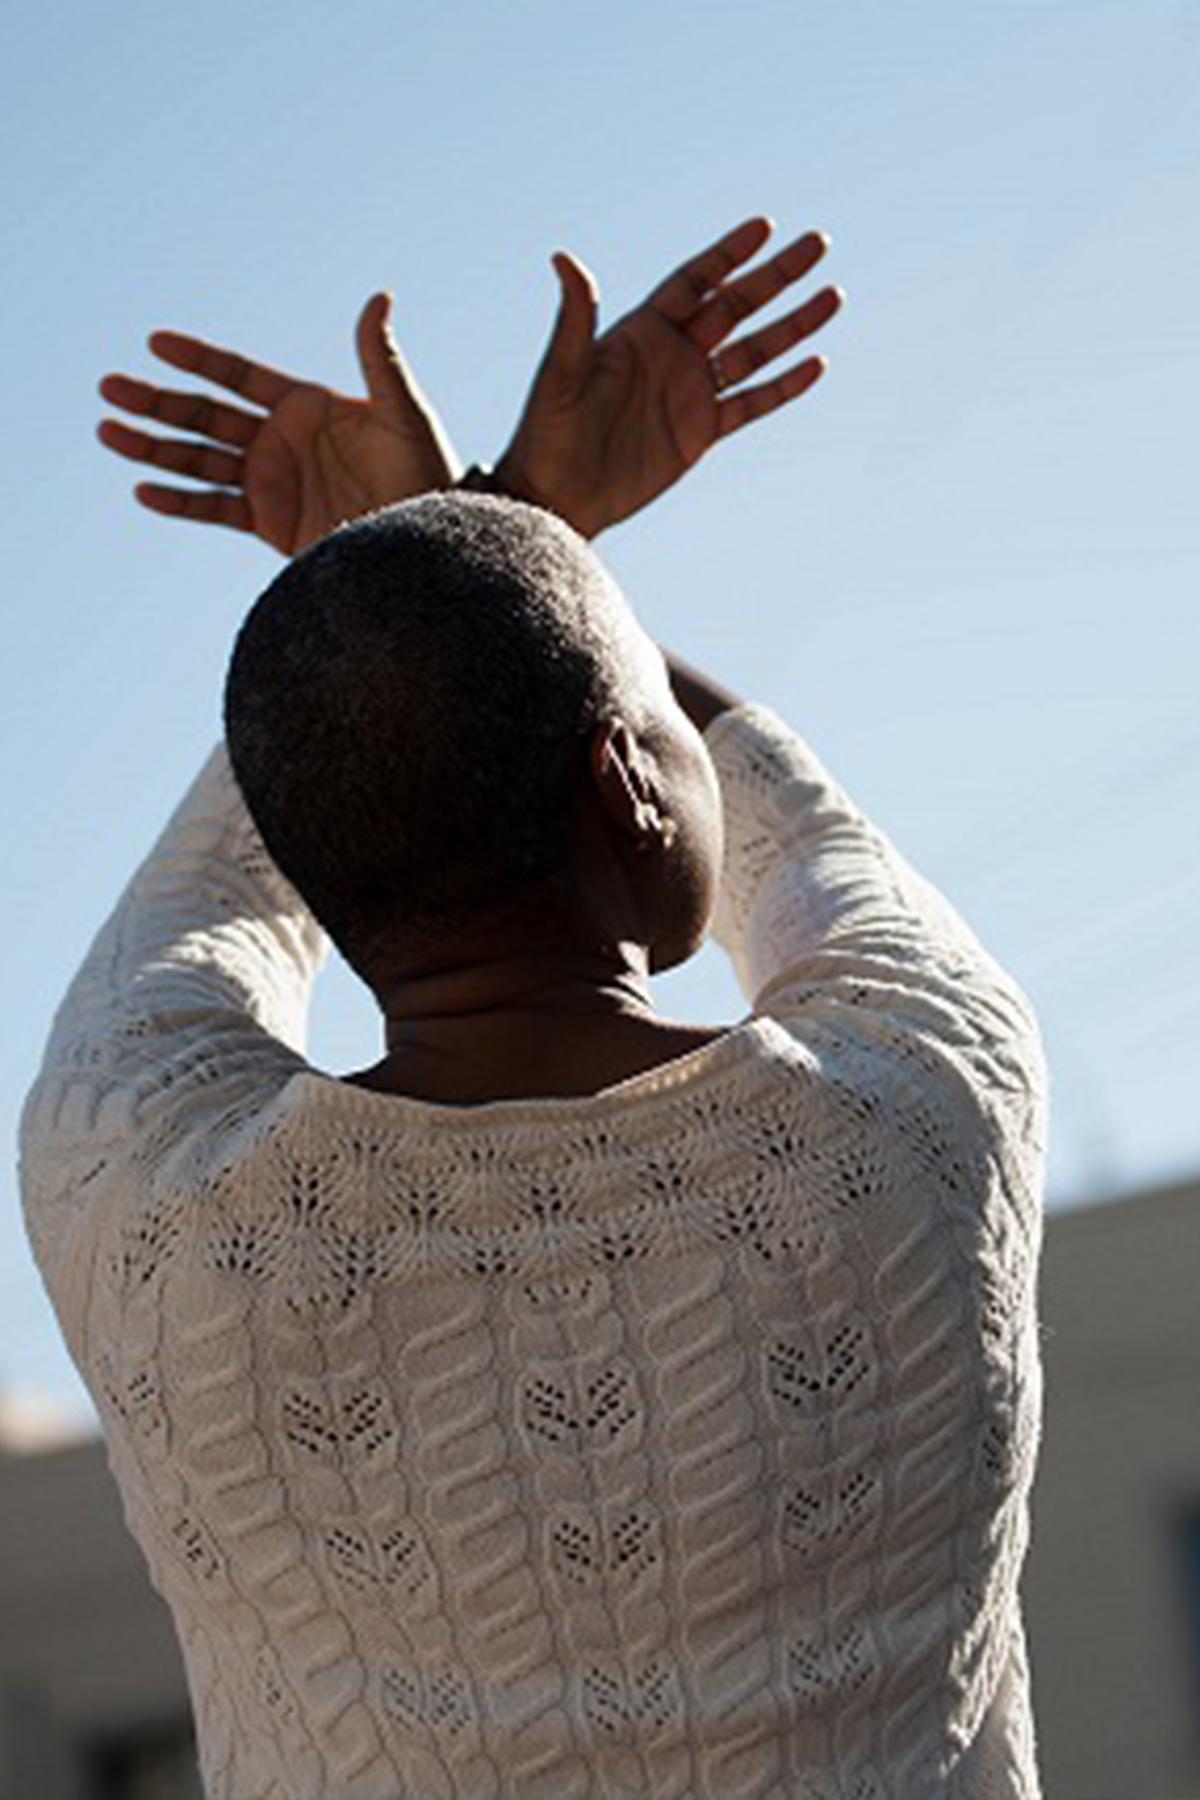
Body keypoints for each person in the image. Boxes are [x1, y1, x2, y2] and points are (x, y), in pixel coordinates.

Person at [21, 218, 1046, 1798]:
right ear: (630, 777)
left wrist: (461, 550)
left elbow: (221, 886)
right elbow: (814, 843)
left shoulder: (140, 1206)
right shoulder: (922, 1106)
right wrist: (512, 536)